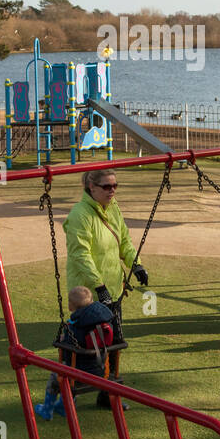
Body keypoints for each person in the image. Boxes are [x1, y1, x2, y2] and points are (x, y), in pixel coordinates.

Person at [64, 168, 148, 405]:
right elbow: (80, 254)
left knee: (113, 341)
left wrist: (136, 265)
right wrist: (98, 286)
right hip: (87, 294)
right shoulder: (80, 215)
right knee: (87, 343)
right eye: (106, 186)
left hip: (113, 288)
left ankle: (108, 392)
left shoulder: (114, 207)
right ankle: (72, 389)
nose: (112, 190)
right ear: (92, 187)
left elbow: (124, 242)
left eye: (115, 186)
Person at [34, 286, 117, 420]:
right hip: (102, 370)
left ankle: (47, 409)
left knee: (57, 376)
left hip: (80, 373)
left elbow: (69, 347)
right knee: (73, 369)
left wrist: (63, 339)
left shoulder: (77, 325)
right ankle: (62, 405)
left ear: (71, 306)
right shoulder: (104, 320)